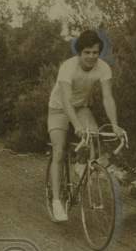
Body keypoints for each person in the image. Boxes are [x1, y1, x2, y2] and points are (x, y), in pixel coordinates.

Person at [47, 29, 125, 221]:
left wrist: (115, 125)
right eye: (87, 52)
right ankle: (57, 202)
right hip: (58, 109)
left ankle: (81, 165)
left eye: (95, 52)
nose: (91, 57)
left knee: (95, 137)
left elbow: (108, 98)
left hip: (81, 107)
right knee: (58, 151)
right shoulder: (68, 67)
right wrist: (76, 126)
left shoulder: (103, 67)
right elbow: (65, 100)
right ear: (79, 53)